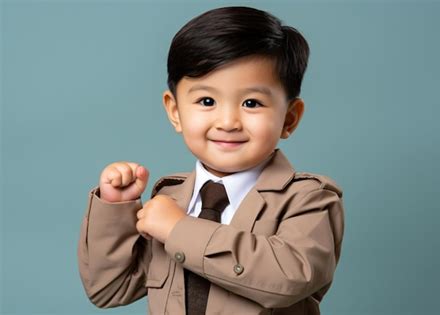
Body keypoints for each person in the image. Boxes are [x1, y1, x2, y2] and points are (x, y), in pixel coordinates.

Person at [77, 6, 345, 315]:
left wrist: (179, 229)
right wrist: (117, 210)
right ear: (175, 111)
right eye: (207, 101)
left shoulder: (308, 200)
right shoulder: (170, 198)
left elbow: (291, 276)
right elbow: (109, 289)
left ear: (290, 118)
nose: (228, 121)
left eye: (251, 103)